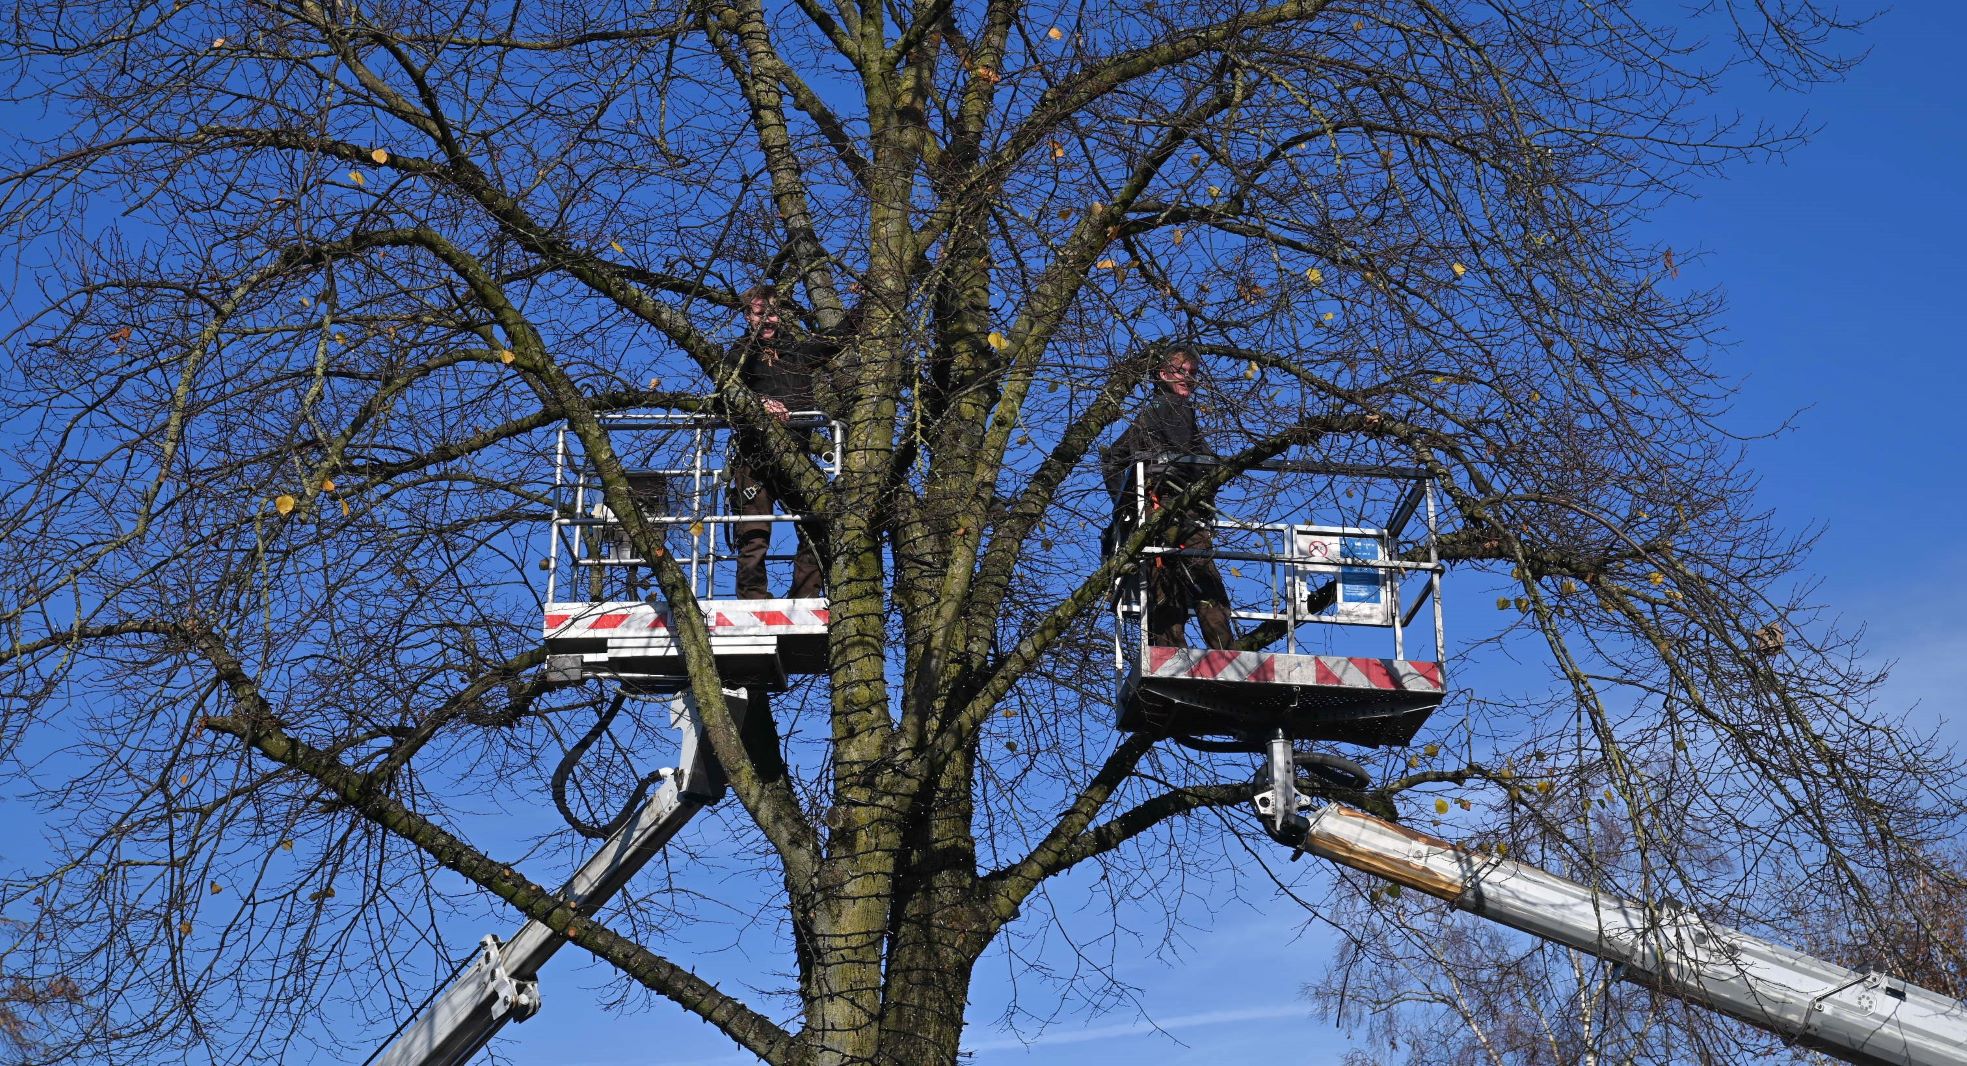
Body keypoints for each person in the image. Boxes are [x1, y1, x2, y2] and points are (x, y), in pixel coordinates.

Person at [1102, 345, 1235, 650]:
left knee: (1165, 583)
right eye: (1180, 371)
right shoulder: (1172, 407)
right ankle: (1225, 654)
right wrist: (1134, 499)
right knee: (1202, 582)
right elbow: (1184, 461)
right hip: (1171, 512)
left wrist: (1127, 503)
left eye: (1193, 373)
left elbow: (1113, 458)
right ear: (1162, 374)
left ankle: (1169, 652)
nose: (1188, 378)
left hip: (1164, 512)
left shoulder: (1152, 415)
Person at [723, 282, 831, 599]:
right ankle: (754, 598)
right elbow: (724, 397)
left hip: (796, 455)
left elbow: (836, 340)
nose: (767, 320)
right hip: (754, 458)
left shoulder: (797, 352)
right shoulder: (738, 357)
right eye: (760, 313)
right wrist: (759, 403)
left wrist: (870, 297)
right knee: (753, 533)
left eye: (773, 313)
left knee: (817, 523)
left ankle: (805, 595)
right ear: (748, 316)